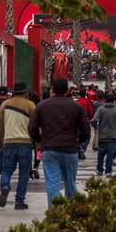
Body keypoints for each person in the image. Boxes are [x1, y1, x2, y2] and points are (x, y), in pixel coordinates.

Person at [29, 78, 89, 206]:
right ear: (67, 90)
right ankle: (70, 210)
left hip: (49, 149)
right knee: (70, 183)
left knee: (53, 183)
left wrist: (40, 140)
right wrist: (79, 141)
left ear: (52, 89)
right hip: (70, 149)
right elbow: (86, 130)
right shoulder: (76, 107)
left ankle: (54, 212)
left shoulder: (42, 106)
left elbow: (32, 128)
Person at [0, 81, 36, 210]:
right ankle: (19, 201)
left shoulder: (5, 104)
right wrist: (38, 143)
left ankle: (5, 186)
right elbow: (35, 125)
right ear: (25, 93)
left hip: (9, 142)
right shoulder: (30, 105)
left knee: (6, 170)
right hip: (25, 143)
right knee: (24, 173)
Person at [92, 92, 116, 176]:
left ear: (105, 100)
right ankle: (108, 171)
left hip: (102, 135)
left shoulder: (101, 109)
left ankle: (99, 170)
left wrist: (97, 128)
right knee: (110, 155)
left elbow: (95, 120)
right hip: (113, 136)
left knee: (100, 154)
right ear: (114, 100)